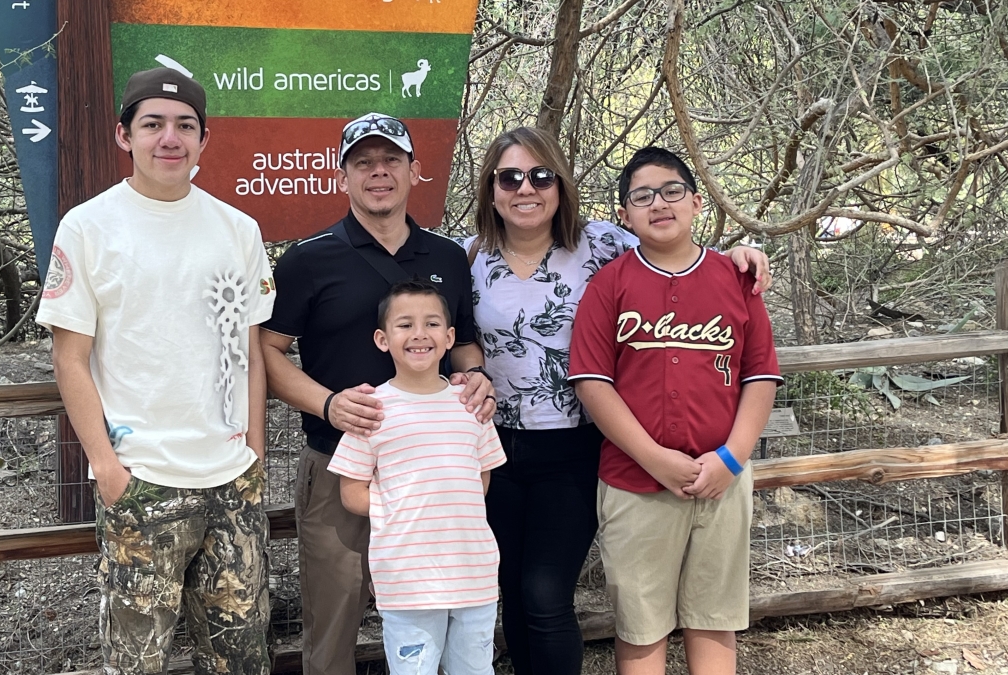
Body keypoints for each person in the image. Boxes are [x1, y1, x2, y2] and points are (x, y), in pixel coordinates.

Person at [463, 127, 770, 675]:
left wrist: (738, 255)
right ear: (491, 189)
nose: (525, 187)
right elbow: (446, 329)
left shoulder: (602, 243)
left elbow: (676, 253)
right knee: (511, 586)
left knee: (544, 591)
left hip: (577, 444)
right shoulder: (468, 257)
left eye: (540, 175)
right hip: (495, 447)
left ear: (560, 184)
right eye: (509, 177)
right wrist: (465, 369)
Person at [37, 68, 276, 675]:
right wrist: (108, 469)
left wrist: (255, 455)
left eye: (184, 126)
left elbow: (250, 350)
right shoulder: (88, 228)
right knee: (136, 663)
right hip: (143, 486)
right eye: (152, 124)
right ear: (125, 136)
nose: (169, 138)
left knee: (242, 660)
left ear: (203, 140)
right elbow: (70, 358)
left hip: (231, 482)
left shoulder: (238, 230)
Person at [259, 112, 495, 675]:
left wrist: (477, 374)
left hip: (433, 471)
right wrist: (328, 403)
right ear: (343, 177)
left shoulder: (445, 259)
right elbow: (266, 353)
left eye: (391, 160)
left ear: (415, 171)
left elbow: (462, 340)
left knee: (443, 614)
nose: (379, 172)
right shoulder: (308, 260)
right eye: (363, 162)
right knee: (334, 617)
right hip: (341, 465)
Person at [569, 146, 783, 675]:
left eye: (671, 191)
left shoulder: (735, 279)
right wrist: (655, 459)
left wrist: (732, 459)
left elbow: (760, 376)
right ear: (624, 214)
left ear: (694, 202)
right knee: (641, 626)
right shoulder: (609, 284)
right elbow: (592, 384)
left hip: (722, 478)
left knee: (713, 617)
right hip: (635, 481)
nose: (658, 204)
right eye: (641, 196)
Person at [327, 280, 507, 675]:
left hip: (473, 574)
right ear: (382, 338)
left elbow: (481, 480)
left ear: (449, 337)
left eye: (431, 323)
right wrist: (406, 507)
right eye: (405, 324)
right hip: (407, 579)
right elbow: (352, 493)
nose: (419, 334)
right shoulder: (370, 410)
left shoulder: (471, 405)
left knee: (475, 669)